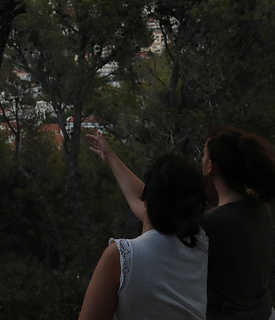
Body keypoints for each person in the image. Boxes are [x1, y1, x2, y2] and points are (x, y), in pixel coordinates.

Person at [79, 134, 209, 320]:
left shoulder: (121, 257)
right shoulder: (200, 243)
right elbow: (146, 201)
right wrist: (110, 156)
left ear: (146, 197)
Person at [202, 126, 275, 320]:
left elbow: (150, 212)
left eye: (203, 155)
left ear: (210, 166)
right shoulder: (259, 204)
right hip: (264, 313)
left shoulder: (212, 224)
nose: (201, 160)